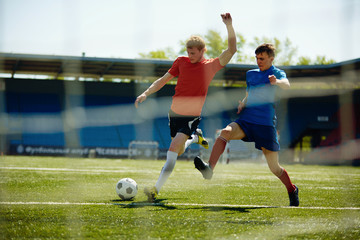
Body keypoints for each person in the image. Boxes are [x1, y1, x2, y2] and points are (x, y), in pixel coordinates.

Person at [135, 13, 237, 202]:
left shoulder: (210, 66)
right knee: (179, 150)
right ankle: (195, 137)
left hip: (191, 116)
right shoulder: (181, 62)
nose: (189, 56)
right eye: (188, 52)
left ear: (202, 51)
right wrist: (146, 93)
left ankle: (155, 190)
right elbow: (163, 80)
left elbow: (231, 50)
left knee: (173, 149)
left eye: (193, 53)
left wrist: (229, 26)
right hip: (173, 114)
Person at [194, 43, 299, 206]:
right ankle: (209, 169)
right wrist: (243, 103)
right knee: (225, 132)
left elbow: (287, 84)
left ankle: (292, 189)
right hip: (247, 120)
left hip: (265, 125)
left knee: (274, 168)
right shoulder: (251, 74)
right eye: (257, 58)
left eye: (262, 58)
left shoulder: (277, 73)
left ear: (271, 58)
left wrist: (276, 81)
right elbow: (249, 94)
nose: (258, 61)